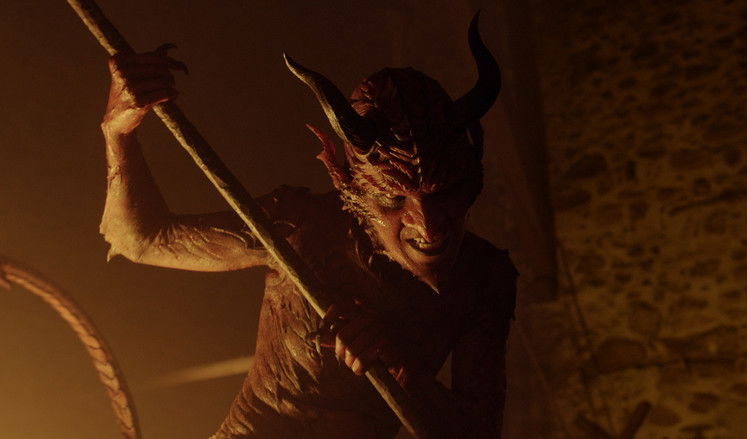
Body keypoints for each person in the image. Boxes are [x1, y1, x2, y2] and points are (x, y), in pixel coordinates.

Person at [99, 14, 517, 439]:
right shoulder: (302, 225)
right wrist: (118, 130)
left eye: (443, 193)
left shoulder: (484, 279)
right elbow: (139, 237)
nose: (426, 224)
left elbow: (477, 434)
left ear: (469, 182)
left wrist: (398, 366)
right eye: (394, 199)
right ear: (352, 188)